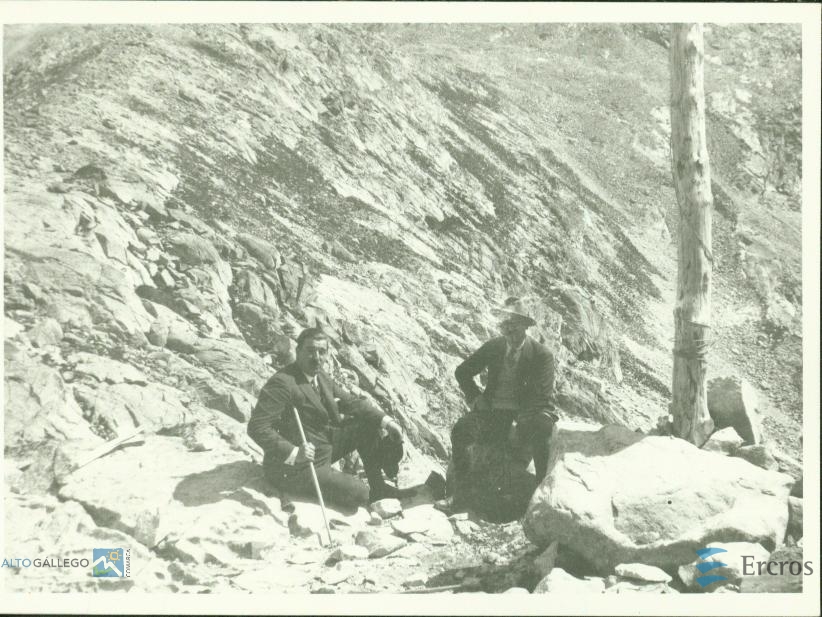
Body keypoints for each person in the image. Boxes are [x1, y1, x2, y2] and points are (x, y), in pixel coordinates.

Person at [248, 327, 403, 509]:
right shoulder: (282, 383)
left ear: (327, 354)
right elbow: (257, 427)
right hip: (296, 468)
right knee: (360, 494)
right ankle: (367, 492)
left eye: (321, 352)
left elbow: (351, 402)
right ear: (297, 351)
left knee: (368, 424)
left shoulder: (319, 375)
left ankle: (379, 488)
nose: (316, 357)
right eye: (310, 350)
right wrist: (294, 453)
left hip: (323, 447)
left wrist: (388, 422)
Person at [436, 297, 558, 513]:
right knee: (462, 429)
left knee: (543, 428)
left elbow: (542, 396)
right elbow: (462, 372)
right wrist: (476, 397)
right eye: (505, 324)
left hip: (527, 415)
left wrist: (519, 420)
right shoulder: (495, 346)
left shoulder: (542, 355)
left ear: (526, 327)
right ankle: (459, 496)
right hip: (494, 412)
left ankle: (540, 501)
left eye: (514, 324)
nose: (509, 330)